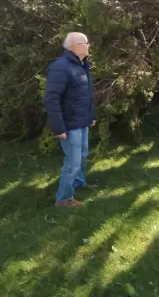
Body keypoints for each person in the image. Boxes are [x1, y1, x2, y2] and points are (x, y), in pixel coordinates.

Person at [44, 32, 97, 207]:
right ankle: (64, 199)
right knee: (72, 162)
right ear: (74, 46)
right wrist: (58, 128)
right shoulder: (61, 67)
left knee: (82, 156)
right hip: (69, 124)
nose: (89, 45)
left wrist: (91, 116)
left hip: (82, 121)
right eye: (86, 42)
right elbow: (52, 99)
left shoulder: (82, 64)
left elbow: (86, 95)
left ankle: (78, 183)